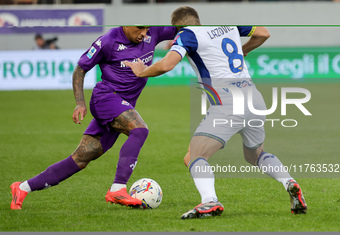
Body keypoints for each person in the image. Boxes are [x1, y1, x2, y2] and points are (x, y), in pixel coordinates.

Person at [124, 6, 307, 219]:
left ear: (178, 26)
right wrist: (245, 49)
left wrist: (141, 71)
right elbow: (263, 33)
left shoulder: (186, 35)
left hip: (227, 102)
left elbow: (167, 64)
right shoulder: (226, 25)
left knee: (194, 156)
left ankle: (209, 202)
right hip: (254, 98)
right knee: (255, 156)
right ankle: (289, 182)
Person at [10, 26, 177, 210]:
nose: (144, 33)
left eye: (146, 29)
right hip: (106, 99)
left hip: (121, 107)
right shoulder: (108, 40)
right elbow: (80, 69)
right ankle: (118, 188)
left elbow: (183, 26)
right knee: (140, 130)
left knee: (79, 159)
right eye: (140, 29)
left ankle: (22, 187)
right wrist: (80, 102)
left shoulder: (153, 31)